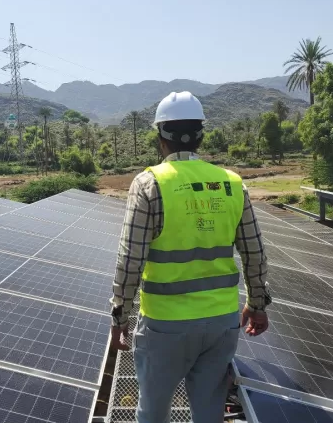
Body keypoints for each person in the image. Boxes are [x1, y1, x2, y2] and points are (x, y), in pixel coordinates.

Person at [110, 91, 271, 423]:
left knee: (153, 410)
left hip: (166, 326)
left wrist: (120, 317)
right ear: (201, 135)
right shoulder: (231, 184)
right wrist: (256, 305)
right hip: (223, 322)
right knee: (210, 410)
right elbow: (254, 252)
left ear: (160, 137)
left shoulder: (149, 184)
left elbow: (130, 261)